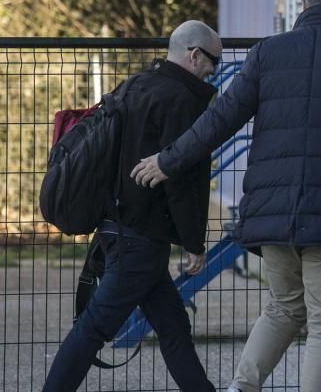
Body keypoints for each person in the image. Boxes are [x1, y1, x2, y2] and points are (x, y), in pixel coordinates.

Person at [130, 0, 321, 392]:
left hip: (275, 215)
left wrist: (168, 160)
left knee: (283, 309)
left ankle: (240, 388)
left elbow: (220, 119)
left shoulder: (268, 53)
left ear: (303, 2)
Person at [43, 20, 223, 392]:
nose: (212, 71)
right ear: (194, 55)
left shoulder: (135, 86)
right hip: (140, 238)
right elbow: (181, 179)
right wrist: (193, 243)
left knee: (173, 326)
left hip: (116, 227)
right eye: (213, 62)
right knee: (93, 328)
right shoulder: (182, 100)